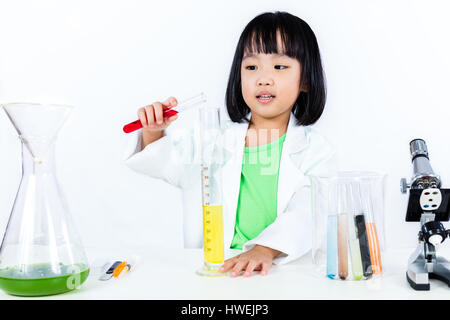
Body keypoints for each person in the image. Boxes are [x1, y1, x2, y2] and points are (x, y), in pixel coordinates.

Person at [124, 11, 336, 277]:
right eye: (251, 67)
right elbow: (166, 163)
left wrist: (265, 249)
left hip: (279, 271)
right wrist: (153, 131)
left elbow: (310, 211)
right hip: (219, 268)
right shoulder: (213, 140)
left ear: (305, 80)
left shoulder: (315, 151)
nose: (263, 78)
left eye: (279, 67)